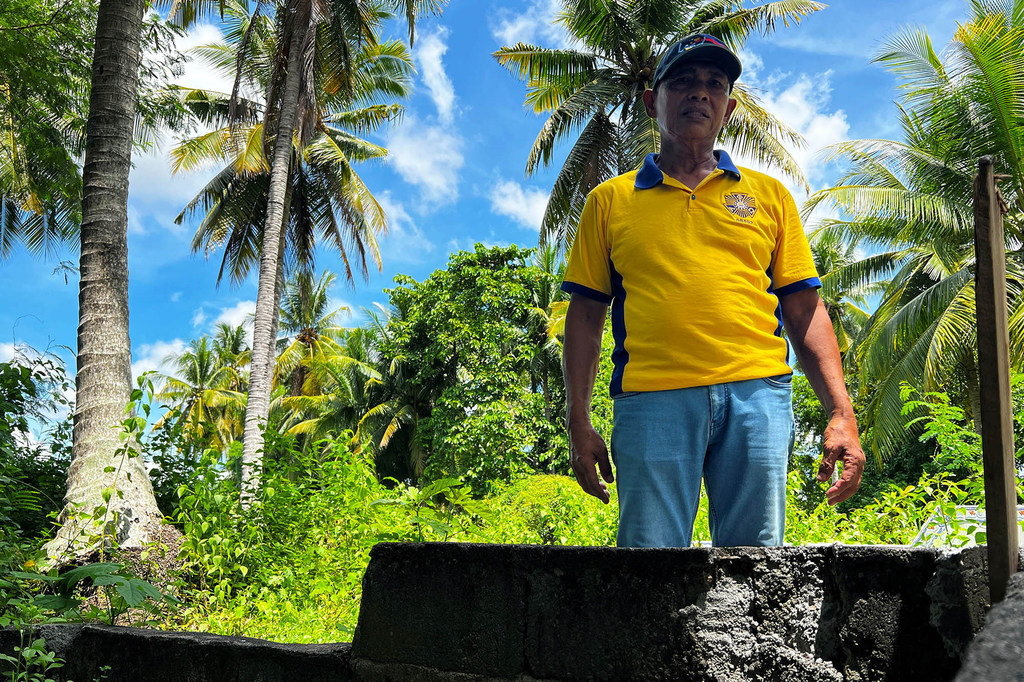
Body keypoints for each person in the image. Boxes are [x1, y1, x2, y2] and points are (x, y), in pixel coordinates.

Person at [561, 34, 865, 548]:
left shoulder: (769, 196)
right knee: (647, 563)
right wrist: (578, 420)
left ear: (727, 107)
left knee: (757, 566)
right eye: (682, 82)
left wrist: (841, 410)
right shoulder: (608, 202)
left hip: (758, 396)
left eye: (714, 85)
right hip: (650, 399)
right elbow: (586, 318)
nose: (699, 94)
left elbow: (804, 308)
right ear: (651, 99)